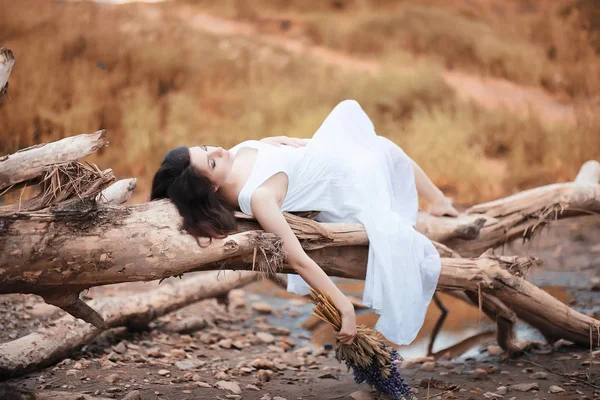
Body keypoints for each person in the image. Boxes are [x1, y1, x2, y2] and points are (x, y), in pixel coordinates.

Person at [151, 100, 459, 345]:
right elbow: (298, 259)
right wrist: (344, 307)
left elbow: (261, 145)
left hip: (323, 154)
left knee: (370, 136)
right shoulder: (259, 197)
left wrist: (282, 140)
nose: (217, 150)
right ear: (212, 188)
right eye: (212, 161)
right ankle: (440, 202)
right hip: (347, 185)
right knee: (382, 151)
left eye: (205, 148)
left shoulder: (232, 156)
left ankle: (440, 201)